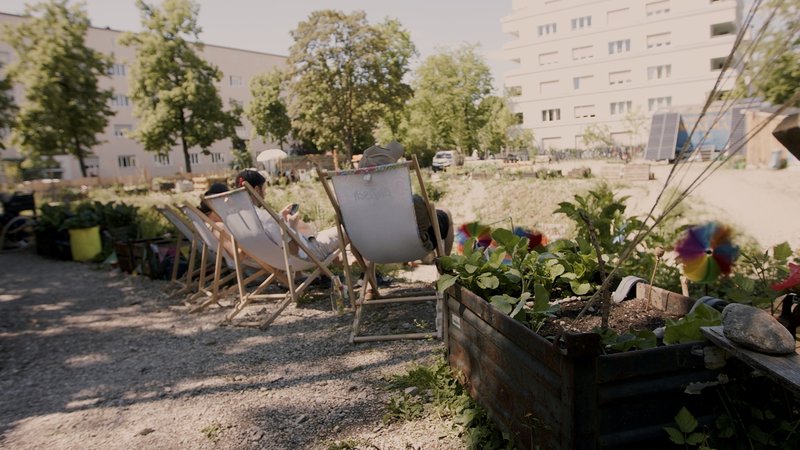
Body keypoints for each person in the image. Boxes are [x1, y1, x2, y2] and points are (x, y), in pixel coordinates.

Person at [359, 141, 455, 259]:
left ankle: (367, 272)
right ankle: (445, 264)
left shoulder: (357, 204)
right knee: (445, 213)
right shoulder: (410, 201)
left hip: (375, 250)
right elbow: (424, 226)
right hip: (410, 248)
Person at [235, 169, 340, 262]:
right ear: (257, 190)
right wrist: (292, 226)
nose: (265, 194)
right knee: (345, 229)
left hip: (271, 262)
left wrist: (279, 218)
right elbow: (293, 251)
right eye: (264, 189)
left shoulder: (238, 218)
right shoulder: (265, 218)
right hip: (306, 253)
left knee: (319, 236)